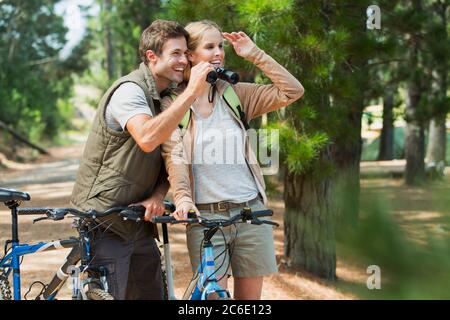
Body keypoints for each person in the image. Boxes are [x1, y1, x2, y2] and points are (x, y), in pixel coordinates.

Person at [70, 19, 214, 300]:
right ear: (152, 56)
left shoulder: (166, 96)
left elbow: (169, 153)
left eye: (186, 53)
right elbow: (148, 136)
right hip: (103, 218)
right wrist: (192, 92)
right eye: (175, 53)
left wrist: (159, 194)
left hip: (137, 219)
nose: (184, 61)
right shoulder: (129, 91)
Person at [161, 20, 304, 300]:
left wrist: (254, 53)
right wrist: (183, 198)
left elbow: (292, 91)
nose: (219, 53)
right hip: (205, 219)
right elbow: (173, 155)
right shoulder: (173, 104)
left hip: (249, 213)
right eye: (210, 47)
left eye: (221, 46)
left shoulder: (235, 94)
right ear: (190, 55)